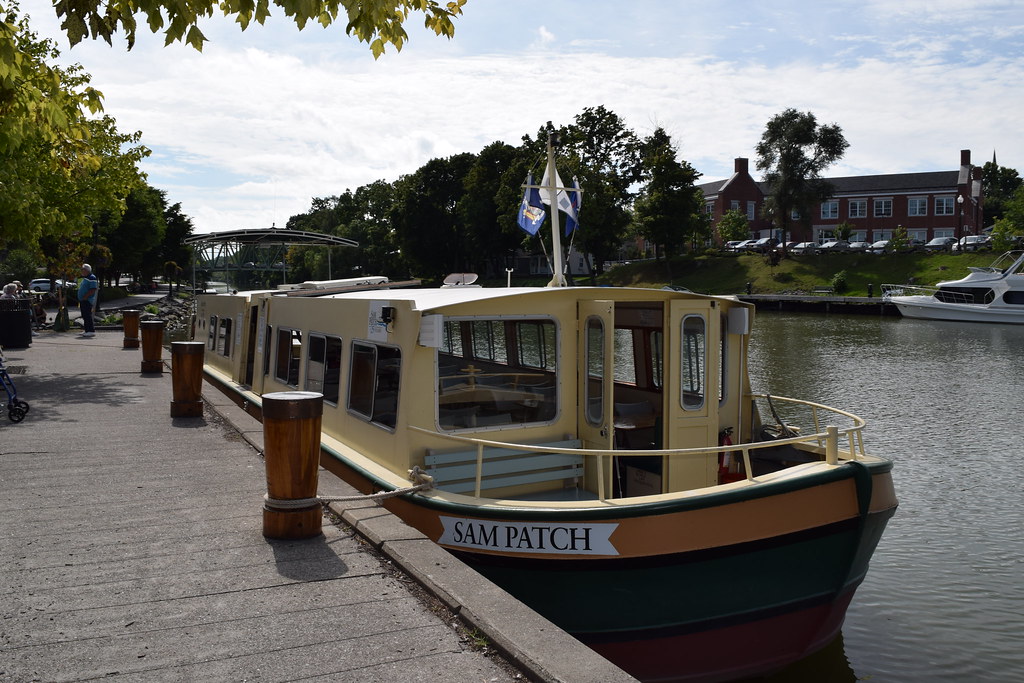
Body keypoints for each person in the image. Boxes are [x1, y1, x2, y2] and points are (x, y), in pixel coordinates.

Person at [77, 263, 99, 338]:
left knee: (87, 315)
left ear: (87, 270)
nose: (81, 271)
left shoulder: (92, 277)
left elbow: (93, 289)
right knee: (84, 315)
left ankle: (91, 331)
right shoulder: (85, 278)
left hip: (87, 300)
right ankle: (87, 330)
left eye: (83, 270)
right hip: (83, 300)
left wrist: (86, 296)